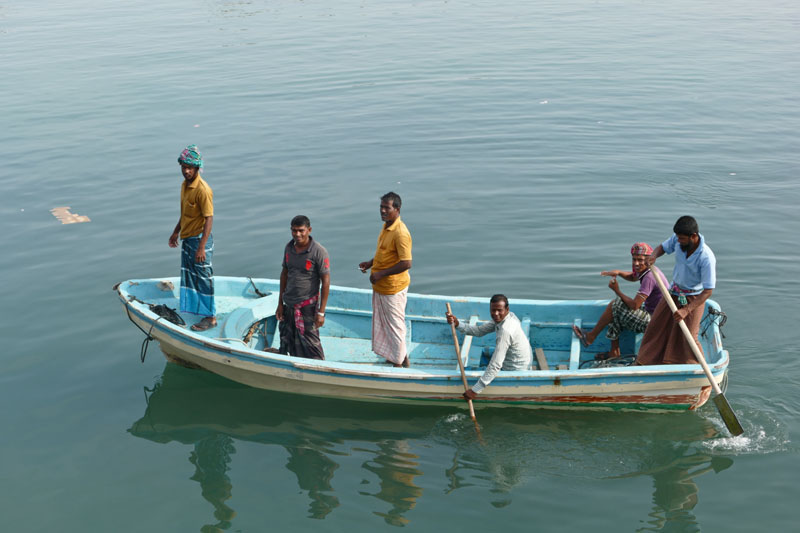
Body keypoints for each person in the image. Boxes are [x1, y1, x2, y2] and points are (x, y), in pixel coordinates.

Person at [635, 216, 716, 365]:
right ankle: (645, 363)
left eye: (682, 239)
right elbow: (662, 248)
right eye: (678, 238)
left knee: (689, 337)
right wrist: (653, 256)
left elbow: (708, 291)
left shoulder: (706, 257)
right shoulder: (677, 240)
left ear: (694, 236)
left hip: (694, 297)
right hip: (673, 292)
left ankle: (701, 376)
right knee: (655, 326)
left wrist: (686, 310)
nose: (678, 241)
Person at [572, 242, 668, 360]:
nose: (636, 263)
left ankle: (591, 336)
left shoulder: (649, 277)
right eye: (634, 259)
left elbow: (635, 306)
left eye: (640, 260)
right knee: (615, 310)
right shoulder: (647, 270)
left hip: (655, 322)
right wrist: (618, 272)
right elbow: (633, 276)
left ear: (649, 260)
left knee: (616, 304)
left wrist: (617, 290)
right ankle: (614, 352)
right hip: (653, 314)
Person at [358, 192, 413, 367]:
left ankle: (398, 364)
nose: (382, 211)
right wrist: (370, 263)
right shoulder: (386, 226)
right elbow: (385, 254)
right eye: (381, 207)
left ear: (397, 209)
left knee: (395, 326)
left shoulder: (400, 232)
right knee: (387, 325)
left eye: (386, 208)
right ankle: (401, 358)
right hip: (381, 287)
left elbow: (406, 263)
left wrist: (381, 274)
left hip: (392, 288)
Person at [445, 295, 532, 400]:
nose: (495, 314)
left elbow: (496, 364)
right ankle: (484, 370)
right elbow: (478, 331)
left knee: (466, 370)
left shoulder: (505, 330)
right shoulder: (507, 317)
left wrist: (475, 390)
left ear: (507, 309)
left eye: (499, 310)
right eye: (493, 310)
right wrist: (457, 323)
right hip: (523, 359)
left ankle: (483, 374)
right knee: (485, 351)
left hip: (514, 368)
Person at [168, 145, 216, 331]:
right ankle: (198, 309)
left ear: (197, 168)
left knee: (203, 277)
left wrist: (202, 247)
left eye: (190, 167)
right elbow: (186, 213)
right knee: (191, 276)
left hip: (199, 240)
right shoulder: (184, 186)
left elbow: (209, 218)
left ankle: (210, 317)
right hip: (188, 238)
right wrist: (175, 232)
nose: (186, 171)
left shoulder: (203, 190)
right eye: (184, 167)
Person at [276, 215, 330, 360]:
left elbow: (325, 281)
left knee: (312, 343)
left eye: (301, 231)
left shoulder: (318, 251)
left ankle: (318, 368)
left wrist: (321, 313)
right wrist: (280, 303)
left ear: (309, 230)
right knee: (287, 339)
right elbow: (284, 274)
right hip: (289, 304)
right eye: (294, 231)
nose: (297, 234)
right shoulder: (288, 248)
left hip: (307, 306)